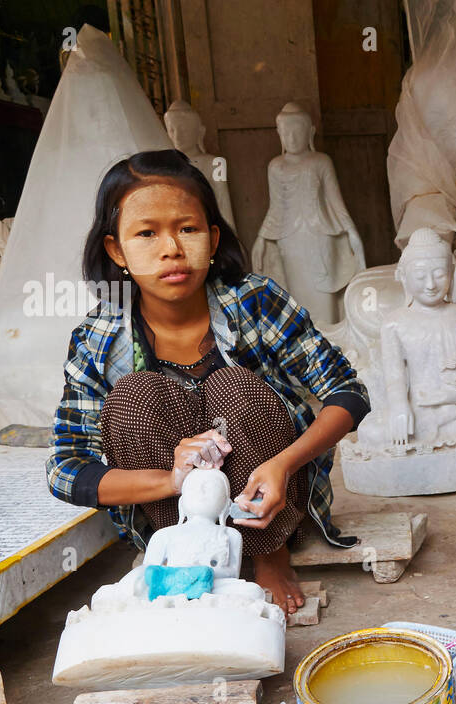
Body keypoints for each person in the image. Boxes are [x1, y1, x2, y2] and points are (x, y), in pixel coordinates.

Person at [48, 149, 369, 614]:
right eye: (146, 233)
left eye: (188, 229)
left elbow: (348, 392)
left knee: (234, 385)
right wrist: (173, 480)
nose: (171, 248)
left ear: (213, 238)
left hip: (273, 501)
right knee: (137, 395)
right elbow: (65, 469)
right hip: (173, 516)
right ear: (116, 249)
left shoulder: (254, 300)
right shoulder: (97, 339)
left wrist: (283, 465)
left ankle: (268, 553)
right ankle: (184, 555)